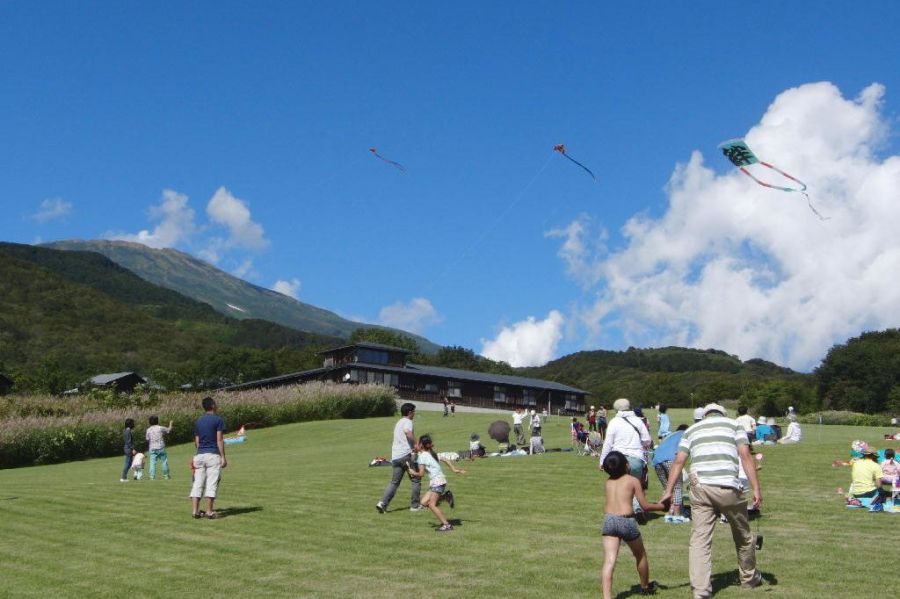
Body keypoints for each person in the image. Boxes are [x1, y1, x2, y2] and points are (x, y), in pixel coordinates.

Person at [661, 403, 763, 598]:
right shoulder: (734, 426)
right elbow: (745, 456)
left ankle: (700, 591)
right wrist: (756, 488)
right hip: (728, 487)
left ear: (705, 415)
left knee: (700, 540)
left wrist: (668, 490)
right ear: (722, 414)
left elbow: (679, 461)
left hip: (700, 487)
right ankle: (749, 578)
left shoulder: (691, 430)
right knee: (743, 536)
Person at [600, 450, 669, 599]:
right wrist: (662, 506)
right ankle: (644, 587)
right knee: (640, 555)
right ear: (625, 466)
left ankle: (606, 597)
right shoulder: (632, 481)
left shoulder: (608, 482)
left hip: (609, 520)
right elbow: (645, 506)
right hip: (626, 520)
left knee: (609, 560)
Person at [599, 398, 653, 522]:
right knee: (636, 485)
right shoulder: (638, 421)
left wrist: (602, 461)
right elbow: (647, 440)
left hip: (619, 459)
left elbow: (608, 443)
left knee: (620, 488)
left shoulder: (614, 422)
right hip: (636, 458)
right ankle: (637, 508)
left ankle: (622, 514)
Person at [408, 434, 465, 532]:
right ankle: (446, 496)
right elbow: (444, 458)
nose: (415, 445)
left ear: (421, 445)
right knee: (423, 502)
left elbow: (421, 474)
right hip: (439, 481)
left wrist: (413, 472)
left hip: (437, 482)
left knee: (431, 505)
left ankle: (447, 525)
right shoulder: (430, 453)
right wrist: (454, 469)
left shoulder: (422, 457)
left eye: (417, 443)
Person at [376, 402, 422, 513]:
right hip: (406, 455)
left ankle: (383, 503)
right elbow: (407, 432)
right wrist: (416, 444)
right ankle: (415, 506)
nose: (414, 413)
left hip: (396, 457)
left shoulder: (398, 422)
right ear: (410, 412)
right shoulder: (408, 422)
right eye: (414, 411)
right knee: (416, 480)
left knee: (394, 483)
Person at [190, 396, 227, 519]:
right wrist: (223, 457)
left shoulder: (198, 421)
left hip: (199, 455)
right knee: (212, 483)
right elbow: (219, 440)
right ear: (212, 406)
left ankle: (195, 511)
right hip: (212, 455)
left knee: (197, 483)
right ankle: (209, 511)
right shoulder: (218, 420)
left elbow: (197, 442)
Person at [652, 424, 689, 523]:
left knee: (667, 488)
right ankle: (677, 515)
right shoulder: (685, 435)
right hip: (670, 459)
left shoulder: (670, 435)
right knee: (677, 486)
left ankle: (669, 512)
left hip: (656, 460)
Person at [145, 415, 174, 480]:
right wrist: (170, 424)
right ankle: (166, 476)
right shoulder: (160, 428)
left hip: (152, 448)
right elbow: (169, 430)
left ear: (149, 422)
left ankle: (152, 477)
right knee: (164, 462)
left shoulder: (148, 430)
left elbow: (147, 439)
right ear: (157, 421)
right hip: (161, 447)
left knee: (152, 463)